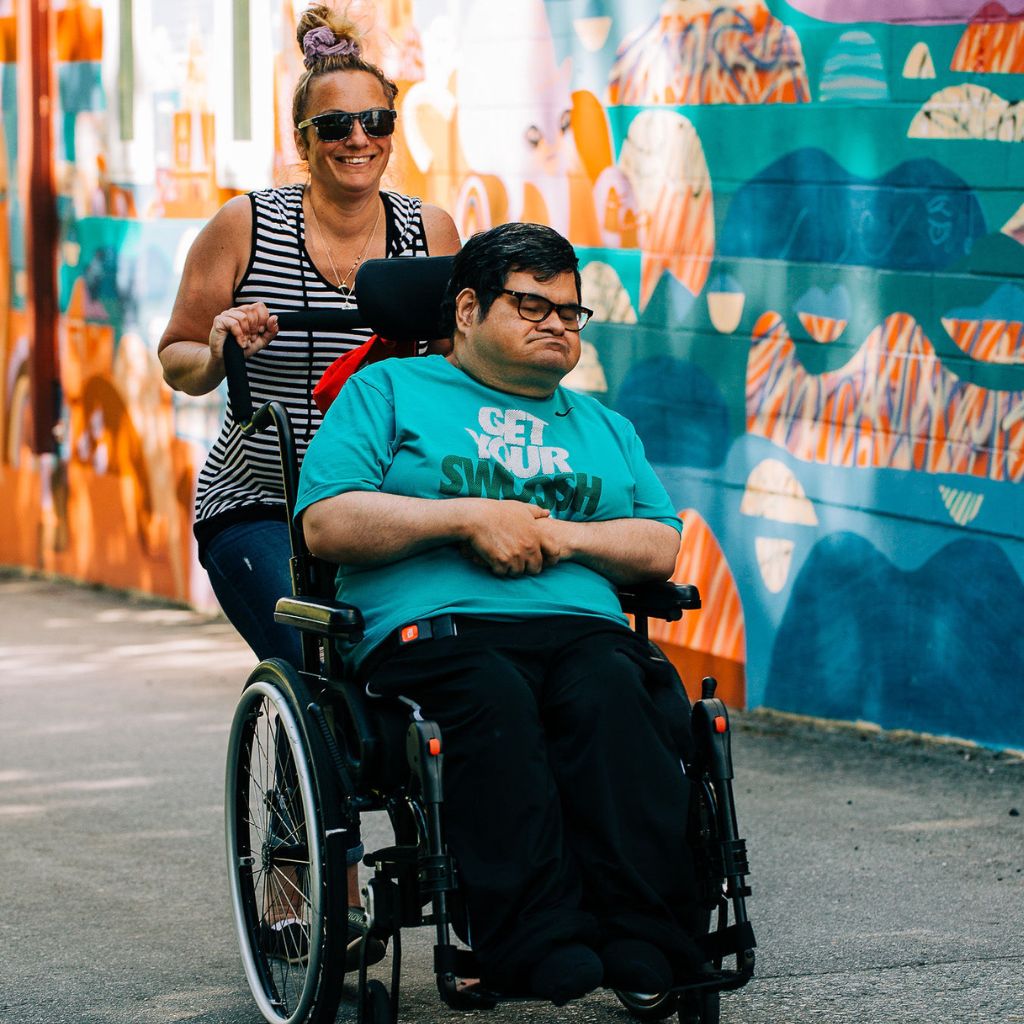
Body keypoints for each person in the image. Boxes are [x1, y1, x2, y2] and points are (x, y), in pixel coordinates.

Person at [294, 222, 703, 1005]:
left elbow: (659, 544)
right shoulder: (387, 391)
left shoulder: (605, 426)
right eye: (532, 305)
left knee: (619, 702)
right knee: (492, 703)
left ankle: (645, 938)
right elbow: (327, 521)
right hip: (438, 632)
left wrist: (562, 537)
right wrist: (464, 518)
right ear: (467, 309)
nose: (557, 323)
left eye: (570, 312)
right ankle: (536, 942)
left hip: (582, 629)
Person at [157, 5, 460, 966]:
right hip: (263, 500)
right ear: (304, 140)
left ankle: (459, 855)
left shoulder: (428, 230)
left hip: (381, 499)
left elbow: (459, 370)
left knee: (441, 656)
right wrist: (219, 343)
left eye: (376, 123)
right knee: (311, 670)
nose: (359, 141)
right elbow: (174, 359)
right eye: (336, 127)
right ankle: (299, 874)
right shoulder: (245, 223)